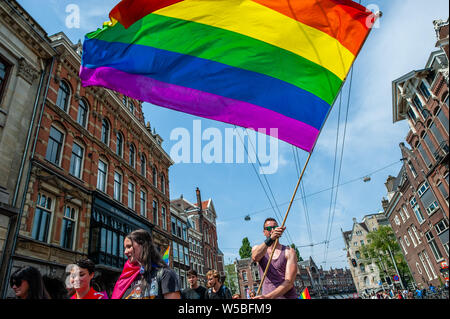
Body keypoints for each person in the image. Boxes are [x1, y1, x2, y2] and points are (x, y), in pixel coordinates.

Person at [112, 229, 181, 299]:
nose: (125, 252)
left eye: (129, 246)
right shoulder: (127, 277)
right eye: (125, 248)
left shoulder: (165, 274)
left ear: (143, 245)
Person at [251, 218, 298, 299]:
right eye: (269, 229)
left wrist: (268, 297)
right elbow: (255, 257)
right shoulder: (257, 248)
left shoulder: (289, 252)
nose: (272, 230)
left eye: (275, 228)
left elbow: (289, 282)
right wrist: (271, 239)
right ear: (264, 232)